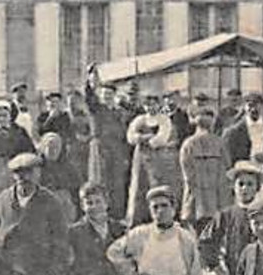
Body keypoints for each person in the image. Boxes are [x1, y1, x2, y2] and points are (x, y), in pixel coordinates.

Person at [82, 69, 132, 226]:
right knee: (99, 181)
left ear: (114, 96)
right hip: (100, 149)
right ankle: (97, 215)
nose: (107, 97)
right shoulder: (97, 110)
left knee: (117, 183)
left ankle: (116, 217)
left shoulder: (120, 112)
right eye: (104, 94)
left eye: (110, 94)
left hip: (117, 150)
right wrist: (90, 81)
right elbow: (89, 98)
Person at [126, 95, 182, 226]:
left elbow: (160, 139)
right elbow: (130, 137)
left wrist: (144, 139)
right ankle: (138, 219)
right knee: (139, 185)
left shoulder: (164, 120)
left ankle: (158, 217)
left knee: (155, 183)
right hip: (140, 158)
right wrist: (143, 137)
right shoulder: (139, 120)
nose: (151, 107)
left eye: (153, 104)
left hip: (158, 158)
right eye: (147, 104)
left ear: (158, 105)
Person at [179, 109, 229, 234]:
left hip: (197, 200)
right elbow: (226, 168)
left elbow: (187, 174)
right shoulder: (220, 143)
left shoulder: (188, 144)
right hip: (216, 199)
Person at [36, 131, 80, 219]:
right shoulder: (36, 167)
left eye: (56, 147)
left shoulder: (68, 167)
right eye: (49, 146)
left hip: (65, 205)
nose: (53, 150)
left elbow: (76, 189)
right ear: (43, 148)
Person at [223, 93, 263, 165]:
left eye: (257, 106)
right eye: (250, 105)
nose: (253, 110)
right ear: (244, 107)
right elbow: (228, 160)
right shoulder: (232, 132)